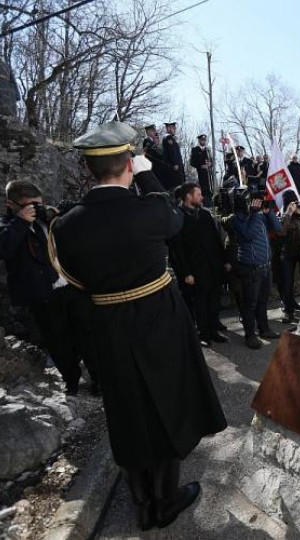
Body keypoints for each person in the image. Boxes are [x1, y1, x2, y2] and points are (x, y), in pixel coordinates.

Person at [51, 121, 227, 531]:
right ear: (129, 163)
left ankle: (143, 501)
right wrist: (147, 172)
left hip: (107, 327)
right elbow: (173, 220)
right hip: (159, 319)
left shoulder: (64, 225)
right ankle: (164, 501)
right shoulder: (150, 209)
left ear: (89, 169)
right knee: (166, 405)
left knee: (127, 412)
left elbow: (75, 281)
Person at [0, 181, 98, 395]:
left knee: (88, 335)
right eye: (30, 205)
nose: (36, 209)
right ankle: (71, 381)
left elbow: (80, 216)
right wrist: (20, 222)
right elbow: (4, 247)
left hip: (72, 286)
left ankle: (98, 380)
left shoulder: (48, 218)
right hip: (43, 295)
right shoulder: (8, 224)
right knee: (58, 341)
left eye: (39, 204)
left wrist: (57, 213)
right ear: (12, 204)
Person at [169, 183, 229, 347]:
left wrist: (224, 261)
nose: (202, 197)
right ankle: (204, 334)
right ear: (188, 196)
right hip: (195, 270)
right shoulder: (178, 217)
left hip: (213, 266)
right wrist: (186, 273)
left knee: (213, 300)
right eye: (198, 194)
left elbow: (216, 240)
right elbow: (177, 250)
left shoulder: (204, 215)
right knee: (200, 303)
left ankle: (213, 330)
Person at [229, 190, 282, 349]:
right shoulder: (237, 219)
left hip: (266, 267)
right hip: (251, 268)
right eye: (255, 201)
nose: (259, 204)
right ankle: (250, 335)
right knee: (250, 304)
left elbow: (277, 227)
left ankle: (264, 329)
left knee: (262, 301)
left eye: (259, 201)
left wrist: (268, 212)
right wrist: (257, 215)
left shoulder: (259, 215)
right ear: (246, 203)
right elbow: (248, 235)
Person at [278, 190, 300, 324]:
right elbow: (281, 232)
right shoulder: (283, 215)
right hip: (287, 253)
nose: (293, 204)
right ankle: (288, 311)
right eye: (291, 202)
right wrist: (289, 214)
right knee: (287, 282)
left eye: (294, 201)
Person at [189, 135, 213, 204]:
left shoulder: (208, 150)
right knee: (201, 190)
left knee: (209, 191)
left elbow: (212, 161)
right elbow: (192, 162)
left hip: (208, 175)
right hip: (199, 173)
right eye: (202, 140)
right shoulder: (195, 150)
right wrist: (200, 166)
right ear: (199, 140)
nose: (203, 141)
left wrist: (210, 165)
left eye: (204, 140)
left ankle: (210, 205)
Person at [161, 121, 185, 190]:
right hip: (174, 168)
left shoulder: (171, 138)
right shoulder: (168, 138)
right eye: (173, 128)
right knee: (176, 186)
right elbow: (172, 152)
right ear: (168, 128)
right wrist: (175, 163)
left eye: (174, 128)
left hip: (176, 167)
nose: (175, 130)